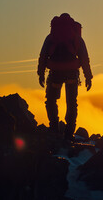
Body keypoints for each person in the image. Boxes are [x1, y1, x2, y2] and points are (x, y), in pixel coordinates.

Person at [37, 13, 93, 141]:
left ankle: (54, 127)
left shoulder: (51, 37)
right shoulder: (77, 38)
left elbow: (43, 56)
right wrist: (88, 77)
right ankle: (69, 133)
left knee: (51, 100)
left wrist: (40, 73)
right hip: (72, 74)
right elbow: (84, 59)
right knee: (72, 103)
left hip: (55, 73)